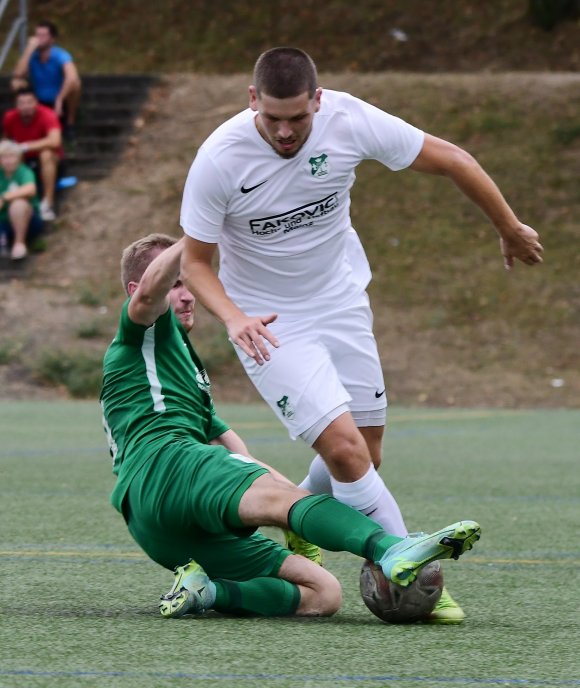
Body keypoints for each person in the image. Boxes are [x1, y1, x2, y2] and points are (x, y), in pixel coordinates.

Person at [179, 47, 543, 623]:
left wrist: (509, 226)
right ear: (252, 101)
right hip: (269, 325)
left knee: (367, 453)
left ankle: (299, 516)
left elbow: (451, 158)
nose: (284, 131)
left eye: (297, 119)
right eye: (272, 117)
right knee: (348, 453)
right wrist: (232, 317)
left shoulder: (348, 120)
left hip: (342, 302)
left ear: (317, 102)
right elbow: (196, 262)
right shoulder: (220, 159)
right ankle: (412, 574)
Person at [100, 232, 481, 620]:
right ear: (136, 289)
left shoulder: (177, 360)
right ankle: (390, 548)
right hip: (166, 464)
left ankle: (208, 591)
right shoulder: (140, 332)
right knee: (287, 502)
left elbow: (228, 444)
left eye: (188, 283)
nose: (187, 294)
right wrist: (201, 232)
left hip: (158, 528)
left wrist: (276, 493)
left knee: (322, 593)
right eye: (176, 283)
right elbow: (151, 293)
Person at [2, 88, 63, 221]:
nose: (26, 106)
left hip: (48, 159)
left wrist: (24, 146)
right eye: (21, 103)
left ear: (36, 102)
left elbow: (55, 141)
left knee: (46, 154)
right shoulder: (10, 117)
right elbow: (6, 141)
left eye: (29, 102)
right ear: (16, 105)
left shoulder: (48, 115)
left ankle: (48, 203)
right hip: (22, 159)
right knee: (7, 155)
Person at [12, 20, 81, 136]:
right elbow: (18, 74)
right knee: (16, 82)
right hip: (37, 98)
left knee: (76, 84)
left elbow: (72, 77)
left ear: (52, 39)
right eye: (37, 35)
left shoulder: (60, 55)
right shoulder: (32, 55)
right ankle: (22, 118)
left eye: (43, 35)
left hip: (59, 98)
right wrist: (28, 50)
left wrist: (59, 99)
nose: (39, 39)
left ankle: (70, 122)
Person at [0, 139, 43, 260]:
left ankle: (19, 244)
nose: (8, 161)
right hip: (3, 222)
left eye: (11, 156)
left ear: (18, 158)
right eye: (4, 157)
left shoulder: (24, 172)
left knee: (18, 204)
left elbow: (30, 189)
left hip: (28, 221)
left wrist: (5, 197)